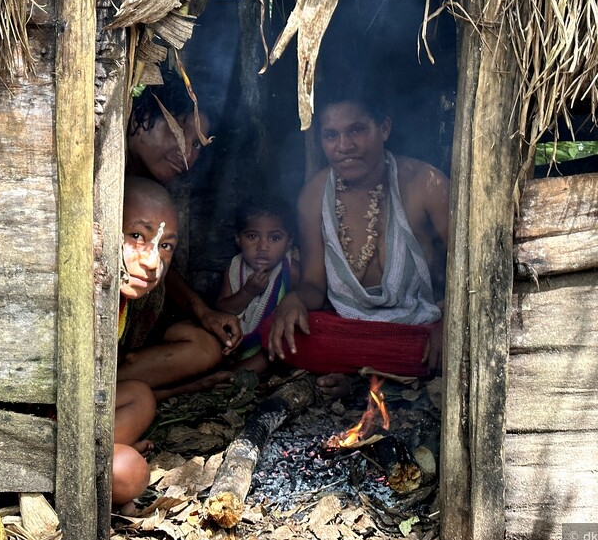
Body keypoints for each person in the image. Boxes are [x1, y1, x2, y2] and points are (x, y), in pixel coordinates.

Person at [264, 100, 449, 397]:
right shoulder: (314, 194)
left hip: (417, 328)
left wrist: (450, 323)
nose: (343, 145)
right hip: (350, 328)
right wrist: (295, 299)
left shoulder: (425, 183)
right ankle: (375, 376)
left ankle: (359, 375)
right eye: (330, 135)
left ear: (384, 128)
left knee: (449, 347)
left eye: (357, 130)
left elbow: (470, 272)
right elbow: (314, 283)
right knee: (278, 332)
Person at [118, 76, 242, 396]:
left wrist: (203, 312)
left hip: (129, 333)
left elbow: (151, 264)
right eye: (178, 130)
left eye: (198, 144)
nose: (187, 151)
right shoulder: (98, 171)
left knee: (205, 348)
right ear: (141, 116)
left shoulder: (152, 190)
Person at [112, 176, 180, 507]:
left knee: (140, 395)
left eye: (165, 245)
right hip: (18, 433)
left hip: (62, 420)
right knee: (129, 472)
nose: (153, 262)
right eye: (136, 236)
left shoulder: (120, 301)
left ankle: (103, 447)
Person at [214, 194, 300, 374]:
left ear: (289, 242)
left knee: (271, 352)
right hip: (235, 346)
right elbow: (223, 308)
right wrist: (247, 292)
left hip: (270, 348)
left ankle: (230, 377)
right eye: (252, 236)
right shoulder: (235, 267)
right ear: (238, 239)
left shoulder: (290, 270)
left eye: (275, 238)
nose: (263, 247)